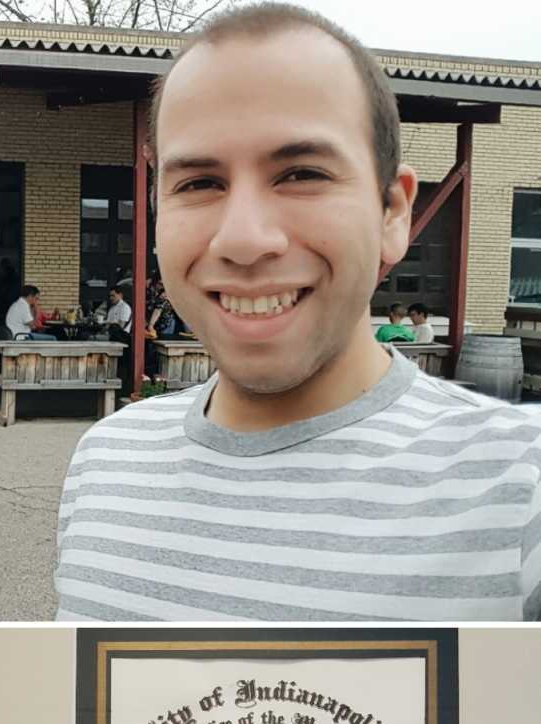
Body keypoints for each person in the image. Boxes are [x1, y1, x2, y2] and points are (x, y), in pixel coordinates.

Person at [56, 1, 541, 621]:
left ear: (393, 212)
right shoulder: (105, 462)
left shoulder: (518, 488)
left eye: (302, 173)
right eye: (199, 183)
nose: (244, 238)